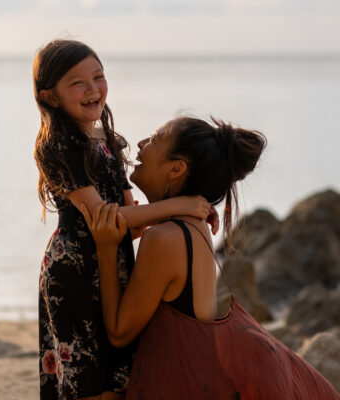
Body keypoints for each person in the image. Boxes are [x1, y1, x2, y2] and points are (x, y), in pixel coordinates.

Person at [83, 117, 340, 399]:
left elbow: (119, 332)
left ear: (176, 169)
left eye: (155, 139)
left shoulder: (163, 238)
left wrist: (106, 249)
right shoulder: (196, 227)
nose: (141, 144)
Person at [33, 40, 218, 400]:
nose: (93, 89)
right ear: (50, 97)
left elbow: (132, 222)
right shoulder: (57, 146)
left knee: (119, 378)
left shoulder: (110, 142)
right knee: (87, 378)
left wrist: (190, 209)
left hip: (116, 264)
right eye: (77, 83)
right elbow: (105, 218)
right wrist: (179, 204)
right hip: (73, 272)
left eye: (98, 77)